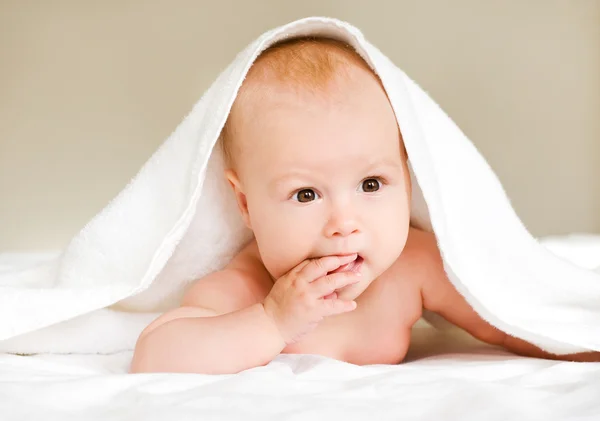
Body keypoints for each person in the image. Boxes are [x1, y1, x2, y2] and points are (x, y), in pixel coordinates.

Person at [130, 37, 599, 374]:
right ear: (246, 205)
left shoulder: (412, 266)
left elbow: (510, 319)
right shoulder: (246, 289)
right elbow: (157, 356)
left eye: (371, 184)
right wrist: (273, 320)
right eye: (306, 194)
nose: (343, 223)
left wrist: (582, 347)